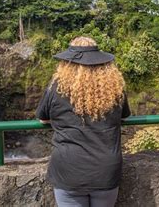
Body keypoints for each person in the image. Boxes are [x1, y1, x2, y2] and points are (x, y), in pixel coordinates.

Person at [36, 36, 131, 207]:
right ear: (101, 62)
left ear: (66, 63)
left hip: (69, 170)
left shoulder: (56, 88)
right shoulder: (115, 90)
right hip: (105, 171)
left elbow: (43, 118)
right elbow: (124, 116)